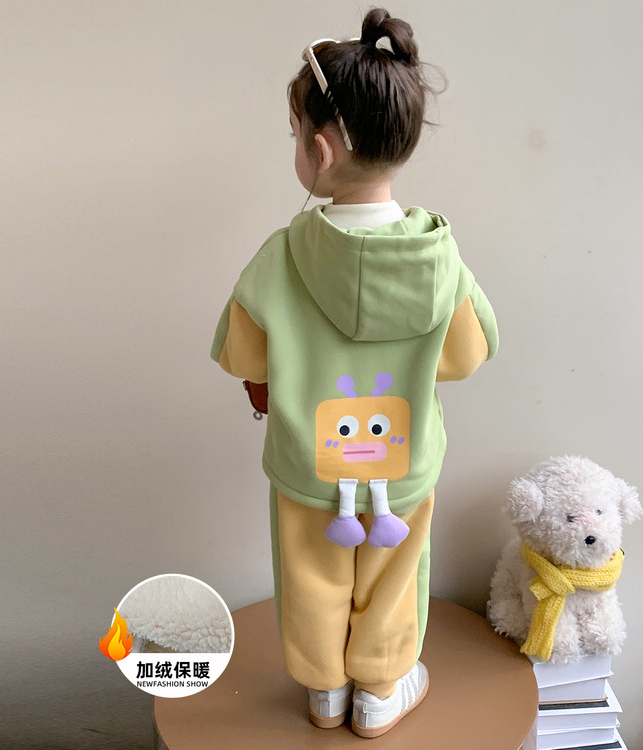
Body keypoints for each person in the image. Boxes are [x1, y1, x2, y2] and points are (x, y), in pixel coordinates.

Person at [211, 8, 498, 738]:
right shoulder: (441, 261)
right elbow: (465, 357)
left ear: (319, 149)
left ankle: (325, 693)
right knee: (396, 577)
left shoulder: (281, 256)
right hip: (402, 463)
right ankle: (380, 691)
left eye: (294, 136)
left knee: (311, 576)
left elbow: (244, 357)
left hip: (310, 463)